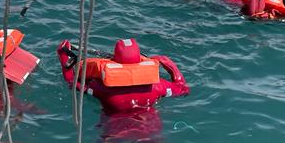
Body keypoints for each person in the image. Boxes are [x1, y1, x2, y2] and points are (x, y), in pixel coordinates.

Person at [56, 37, 188, 113]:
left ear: (115, 60)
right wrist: (168, 64)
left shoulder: (102, 88)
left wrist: (63, 58)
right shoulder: (158, 86)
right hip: (148, 124)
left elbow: (71, 82)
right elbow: (183, 89)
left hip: (114, 127)